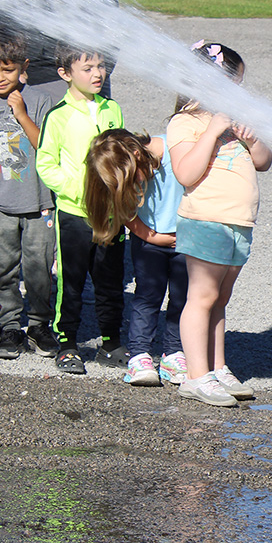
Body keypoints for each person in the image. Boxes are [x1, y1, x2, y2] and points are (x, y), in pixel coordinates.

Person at [166, 41, 272, 407]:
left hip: (239, 223)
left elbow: (264, 162)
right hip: (205, 221)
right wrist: (212, 131)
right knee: (202, 297)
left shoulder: (237, 122)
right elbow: (185, 173)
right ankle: (196, 376)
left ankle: (218, 367)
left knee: (220, 299)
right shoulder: (186, 122)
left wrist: (251, 140)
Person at [36, 43, 126, 374]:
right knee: (72, 282)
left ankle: (111, 342)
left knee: (109, 281)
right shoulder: (57, 116)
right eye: (87, 68)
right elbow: (45, 163)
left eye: (101, 66)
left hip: (112, 216)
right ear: (65, 74)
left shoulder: (112, 109)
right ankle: (68, 344)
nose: (97, 74)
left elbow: (119, 156)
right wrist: (80, 190)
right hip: (75, 215)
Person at [85, 129, 188, 387]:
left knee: (182, 297)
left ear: (135, 154)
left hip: (187, 240)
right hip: (149, 241)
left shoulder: (178, 148)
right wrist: (151, 236)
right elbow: (125, 209)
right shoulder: (128, 163)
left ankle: (174, 353)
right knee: (147, 297)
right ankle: (140, 355)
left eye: (135, 179)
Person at [0, 32, 57, 358]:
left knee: (39, 266)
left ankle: (39, 324)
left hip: (39, 203)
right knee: (3, 267)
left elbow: (47, 147)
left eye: (7, 70)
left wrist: (22, 114)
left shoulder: (39, 101)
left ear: (23, 67)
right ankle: (9, 327)